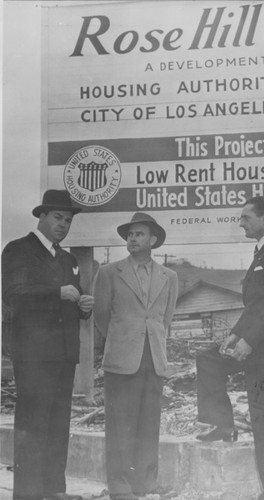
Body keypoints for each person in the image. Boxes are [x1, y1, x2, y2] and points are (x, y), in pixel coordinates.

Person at [196, 196, 264, 500]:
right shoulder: (262, 252)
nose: (240, 222)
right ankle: (223, 425)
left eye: (246, 217)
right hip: (253, 341)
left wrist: (249, 341)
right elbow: (255, 305)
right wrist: (235, 335)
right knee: (208, 359)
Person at [2, 189, 94, 500]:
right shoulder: (18, 250)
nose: (63, 225)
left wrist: (84, 306)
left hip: (64, 352)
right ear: (41, 216)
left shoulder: (68, 259)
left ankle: (55, 490)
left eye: (68, 220)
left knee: (58, 424)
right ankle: (27, 494)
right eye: (57, 217)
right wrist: (57, 292)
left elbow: (73, 296)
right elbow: (14, 293)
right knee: (33, 424)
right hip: (34, 353)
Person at [93, 212, 179, 500]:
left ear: (153, 240)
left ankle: (146, 483)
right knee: (119, 423)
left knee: (148, 422)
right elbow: (102, 317)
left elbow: (165, 319)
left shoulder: (170, 277)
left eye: (139, 234)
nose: (132, 238)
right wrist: (123, 340)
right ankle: (120, 486)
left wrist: (149, 341)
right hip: (121, 358)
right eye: (130, 234)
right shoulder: (108, 273)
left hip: (153, 358)